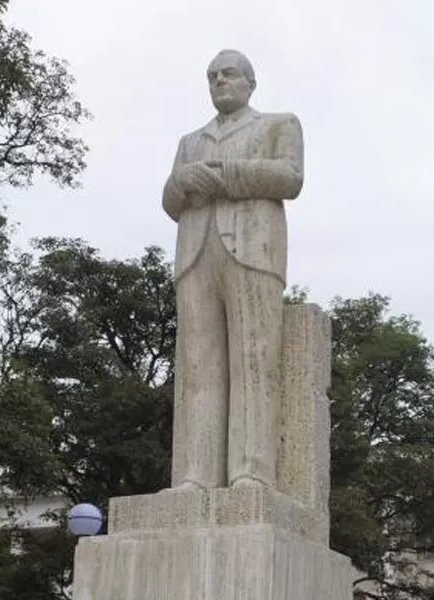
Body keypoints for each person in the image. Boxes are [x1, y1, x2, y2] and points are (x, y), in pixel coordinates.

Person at [162, 49, 305, 492]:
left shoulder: (277, 125)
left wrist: (225, 177)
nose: (219, 82)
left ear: (249, 83)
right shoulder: (190, 141)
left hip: (253, 249)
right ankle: (195, 475)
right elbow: (169, 201)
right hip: (195, 251)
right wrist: (183, 184)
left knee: (254, 361)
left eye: (228, 75)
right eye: (211, 76)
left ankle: (251, 471)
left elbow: (291, 178)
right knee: (197, 368)